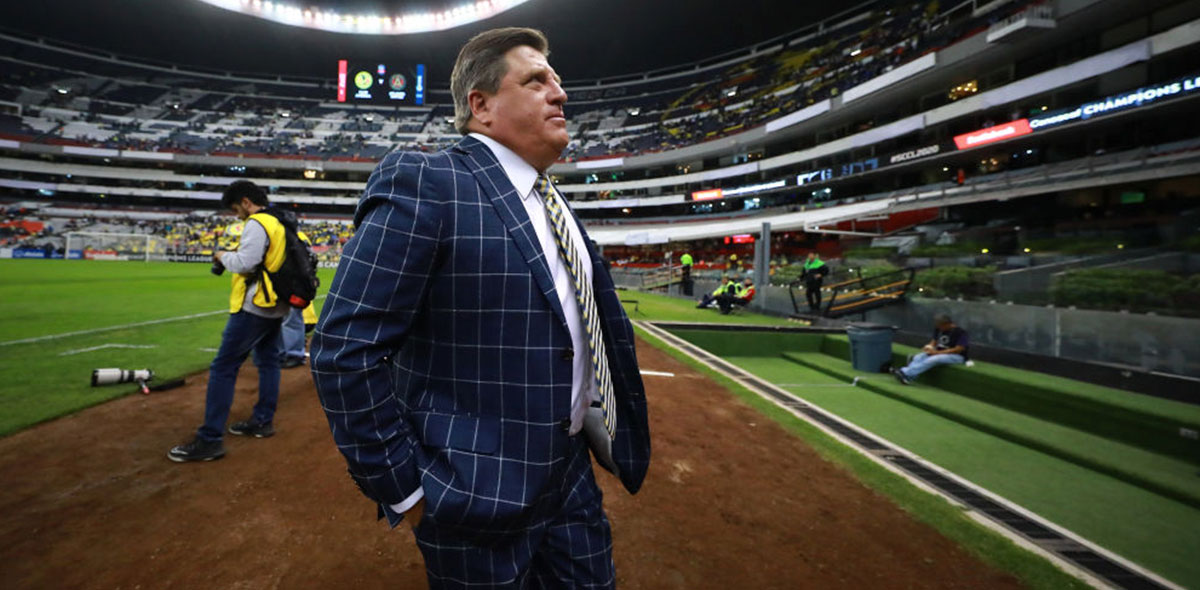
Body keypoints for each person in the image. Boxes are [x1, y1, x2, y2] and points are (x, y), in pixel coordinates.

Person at [310, 27, 650, 589]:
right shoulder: (428, 180)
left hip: (569, 476)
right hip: (472, 490)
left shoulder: (554, 201)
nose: (560, 93)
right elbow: (344, 348)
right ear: (481, 105)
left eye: (557, 80)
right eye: (536, 81)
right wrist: (405, 490)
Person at [168, 181, 289, 462]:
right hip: (276, 304)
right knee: (268, 361)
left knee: (223, 367)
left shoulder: (257, 222)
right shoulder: (279, 220)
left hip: (255, 306)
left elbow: (246, 263)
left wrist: (222, 255)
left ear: (246, 202)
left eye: (236, 209)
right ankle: (262, 421)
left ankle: (210, 439)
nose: (237, 215)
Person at [891, 314, 970, 385]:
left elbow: (958, 349)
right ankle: (908, 377)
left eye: (940, 326)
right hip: (939, 352)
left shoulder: (961, 332)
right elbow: (934, 341)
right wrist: (929, 347)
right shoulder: (939, 328)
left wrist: (936, 353)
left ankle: (905, 372)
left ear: (947, 324)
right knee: (918, 357)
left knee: (934, 359)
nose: (939, 329)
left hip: (957, 356)